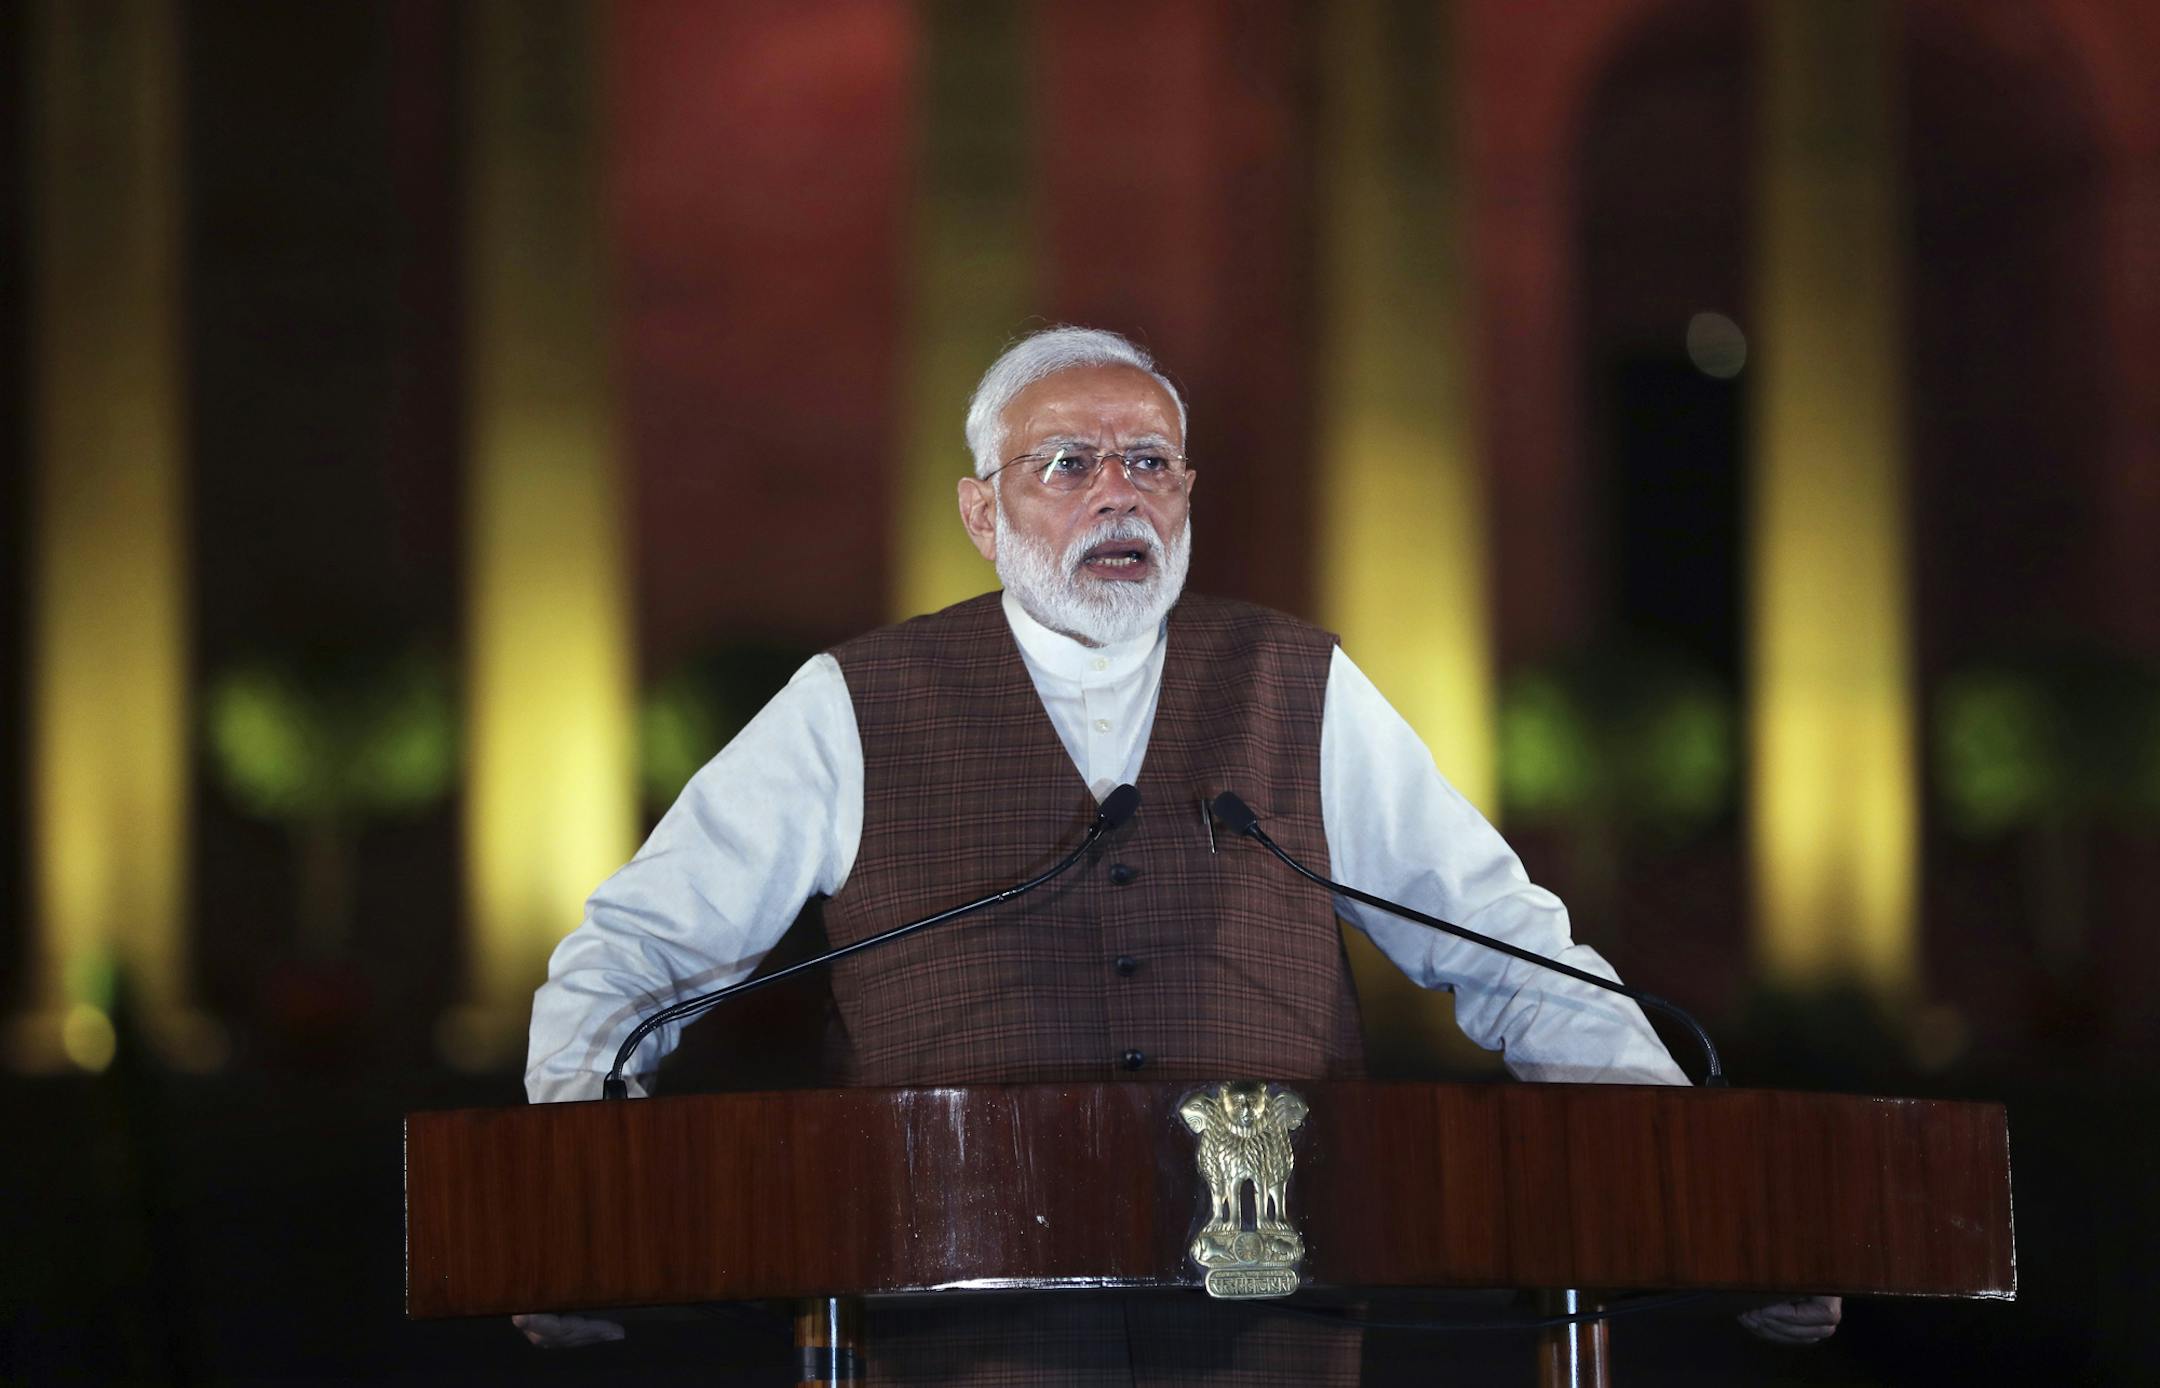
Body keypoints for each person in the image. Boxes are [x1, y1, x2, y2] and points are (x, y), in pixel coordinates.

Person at [516, 327, 1841, 1374]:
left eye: (1148, 463)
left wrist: (1701, 1188)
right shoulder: (852, 704)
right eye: (1067, 464)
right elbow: (642, 951)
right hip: (957, 1315)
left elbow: (1508, 950)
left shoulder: (1297, 684)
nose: (1118, 495)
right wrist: (571, 1200)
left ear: (1189, 494)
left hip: (1267, 1315)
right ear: (980, 510)